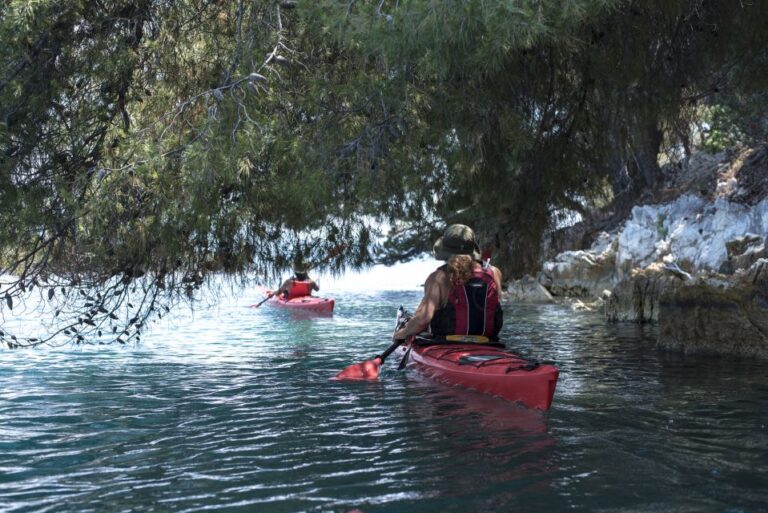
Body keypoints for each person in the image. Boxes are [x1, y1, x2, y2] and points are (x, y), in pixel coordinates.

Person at [393, 224, 503, 342]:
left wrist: (401, 334)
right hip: (488, 342)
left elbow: (423, 319)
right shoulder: (494, 272)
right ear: (472, 249)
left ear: (445, 250)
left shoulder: (438, 278)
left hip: (447, 343)